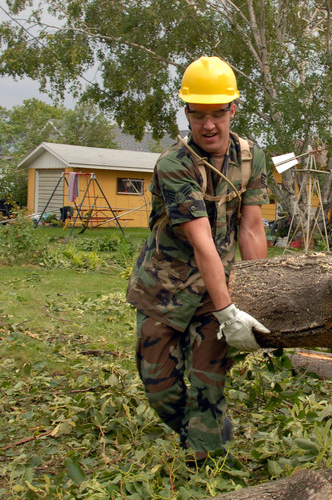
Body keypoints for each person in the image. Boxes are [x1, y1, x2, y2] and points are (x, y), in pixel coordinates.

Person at [126, 56, 270, 464]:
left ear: (233, 110)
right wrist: (229, 314)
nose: (209, 125)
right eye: (198, 114)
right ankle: (203, 430)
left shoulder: (250, 158)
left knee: (208, 386)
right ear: (186, 112)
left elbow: (252, 228)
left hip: (214, 291)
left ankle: (205, 462)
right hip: (164, 291)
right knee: (160, 388)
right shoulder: (174, 165)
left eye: (218, 113)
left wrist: (256, 298)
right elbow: (201, 240)